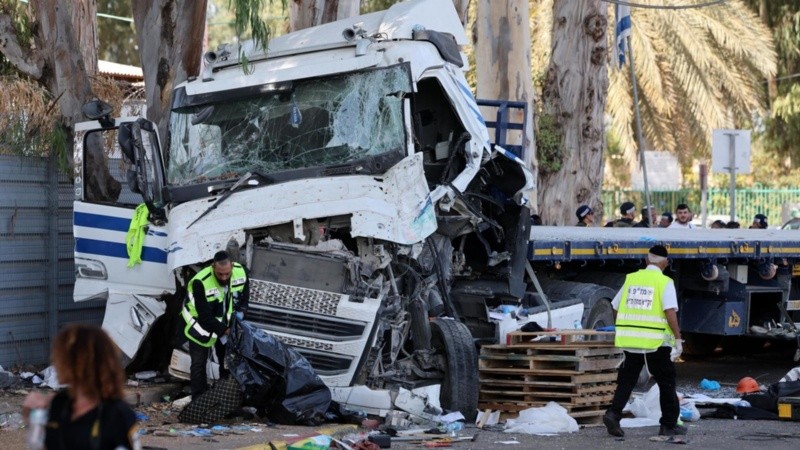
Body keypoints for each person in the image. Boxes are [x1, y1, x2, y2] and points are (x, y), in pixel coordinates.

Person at [603, 245, 685, 438]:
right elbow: (670, 312)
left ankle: (613, 414)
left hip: (630, 341)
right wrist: (678, 338)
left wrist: (626, 326)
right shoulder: (664, 282)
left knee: (627, 380)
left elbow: (615, 306)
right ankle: (668, 425)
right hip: (655, 342)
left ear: (647, 261)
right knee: (666, 382)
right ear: (665, 263)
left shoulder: (632, 279)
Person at [22, 325, 141, 450]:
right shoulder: (59, 403)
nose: (54, 361)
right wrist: (33, 418)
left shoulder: (117, 414)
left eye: (60, 356)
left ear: (80, 362)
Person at [180, 250, 250, 398]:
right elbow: (205, 316)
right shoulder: (201, 282)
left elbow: (244, 297)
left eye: (227, 274)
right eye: (220, 274)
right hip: (199, 325)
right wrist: (226, 331)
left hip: (224, 323)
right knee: (199, 364)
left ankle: (226, 398)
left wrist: (242, 312)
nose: (224, 278)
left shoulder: (241, 272)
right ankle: (199, 401)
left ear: (231, 266)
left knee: (227, 362)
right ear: (213, 267)